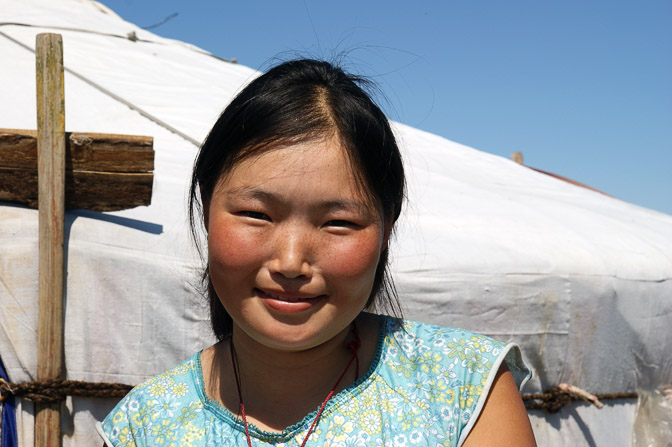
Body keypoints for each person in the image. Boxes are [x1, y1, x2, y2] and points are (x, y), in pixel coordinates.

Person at [98, 59, 536, 446]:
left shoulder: (463, 389)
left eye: (338, 223)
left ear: (388, 227)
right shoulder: (144, 427)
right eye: (256, 214)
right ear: (206, 209)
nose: (290, 263)